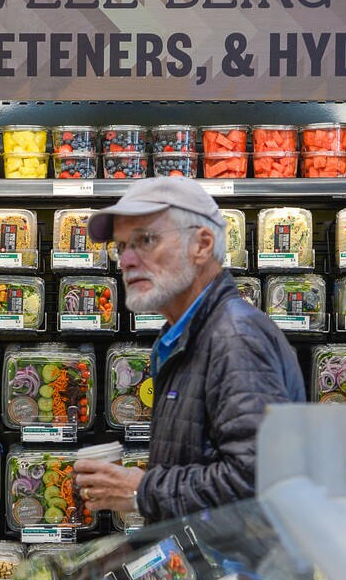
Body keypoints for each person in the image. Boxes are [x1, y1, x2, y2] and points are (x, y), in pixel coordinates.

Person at [74, 177, 305, 523]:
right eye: (122, 247)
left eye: (145, 240)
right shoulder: (184, 336)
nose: (126, 261)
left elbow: (260, 480)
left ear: (202, 244)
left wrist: (142, 491)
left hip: (245, 574)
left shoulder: (234, 337)